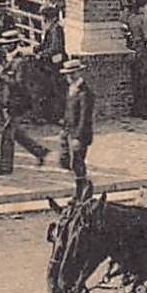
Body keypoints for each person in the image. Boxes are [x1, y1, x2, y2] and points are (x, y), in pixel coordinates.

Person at [0, 33, 49, 175]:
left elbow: (18, 83)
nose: (4, 47)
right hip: (9, 102)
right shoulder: (9, 59)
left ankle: (5, 167)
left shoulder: (21, 62)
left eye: (7, 44)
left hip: (17, 103)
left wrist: (1, 74)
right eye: (3, 44)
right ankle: (39, 151)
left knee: (7, 134)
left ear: (14, 44)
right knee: (15, 133)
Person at [59, 59, 94, 200]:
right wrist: (64, 127)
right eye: (67, 74)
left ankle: (83, 192)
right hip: (70, 131)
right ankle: (81, 190)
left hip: (80, 135)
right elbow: (69, 112)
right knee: (72, 163)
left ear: (77, 73)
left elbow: (85, 118)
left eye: (71, 74)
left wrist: (78, 137)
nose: (68, 77)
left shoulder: (84, 93)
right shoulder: (72, 89)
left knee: (78, 162)